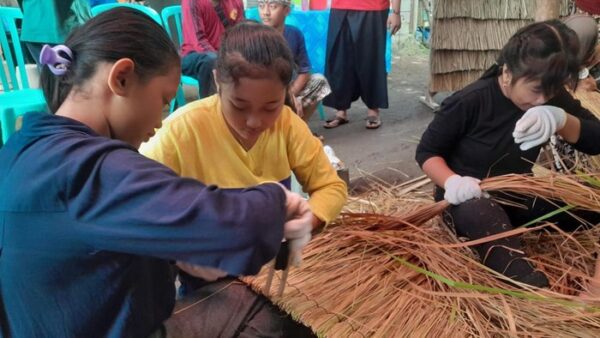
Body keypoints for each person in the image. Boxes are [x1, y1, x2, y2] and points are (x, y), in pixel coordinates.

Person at [0, 8, 314, 337]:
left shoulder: (21, 148)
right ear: (121, 78)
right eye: (164, 100)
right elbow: (216, 218)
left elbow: (90, 247)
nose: (160, 121)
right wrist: (276, 201)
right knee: (273, 315)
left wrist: (171, 258)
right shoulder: (87, 169)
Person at [140, 21, 347, 300]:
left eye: (271, 107)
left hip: (272, 281)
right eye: (239, 105)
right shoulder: (181, 131)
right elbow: (137, 204)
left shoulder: (286, 125)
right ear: (217, 82)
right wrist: (183, 247)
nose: (254, 122)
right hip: (206, 286)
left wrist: (305, 222)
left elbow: (331, 187)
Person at [415, 20, 600, 287]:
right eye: (536, 90)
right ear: (508, 72)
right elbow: (427, 151)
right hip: (468, 198)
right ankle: (528, 284)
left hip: (517, 192)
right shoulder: (470, 100)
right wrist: (452, 182)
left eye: (551, 91)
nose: (542, 100)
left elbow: (595, 139)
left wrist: (561, 119)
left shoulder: (550, 97)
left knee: (588, 205)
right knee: (483, 216)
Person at [323, 0, 401, 129]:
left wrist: (396, 12)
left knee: (370, 58)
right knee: (339, 59)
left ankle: (373, 109)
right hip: (340, 6)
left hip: (373, 7)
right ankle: (341, 110)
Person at [258, 0, 332, 122]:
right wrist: (284, 95)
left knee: (320, 82)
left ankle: (300, 130)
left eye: (272, 6)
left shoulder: (295, 34)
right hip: (263, 94)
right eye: (261, 6)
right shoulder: (255, 37)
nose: (266, 12)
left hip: (287, 89)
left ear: (286, 10)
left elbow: (305, 70)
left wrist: (290, 94)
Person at [181, 0, 244, 98]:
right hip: (194, 54)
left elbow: (241, 32)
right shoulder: (192, 2)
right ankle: (209, 108)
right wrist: (224, 58)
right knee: (211, 61)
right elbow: (198, 41)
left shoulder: (236, 2)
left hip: (223, 53)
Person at [20, 0, 91, 65]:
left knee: (46, 74)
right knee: (69, 75)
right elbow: (83, 8)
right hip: (58, 30)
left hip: (31, 28)